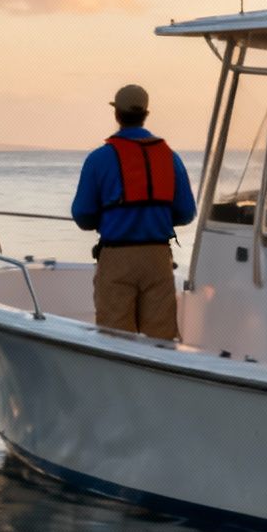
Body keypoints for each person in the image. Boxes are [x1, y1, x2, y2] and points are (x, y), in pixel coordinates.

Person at [71, 84, 197, 340]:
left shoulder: (98, 159)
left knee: (115, 340)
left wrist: (109, 218)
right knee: (160, 342)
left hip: (117, 257)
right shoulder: (170, 158)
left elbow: (82, 215)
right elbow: (186, 213)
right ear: (146, 114)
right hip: (157, 259)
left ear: (117, 115)